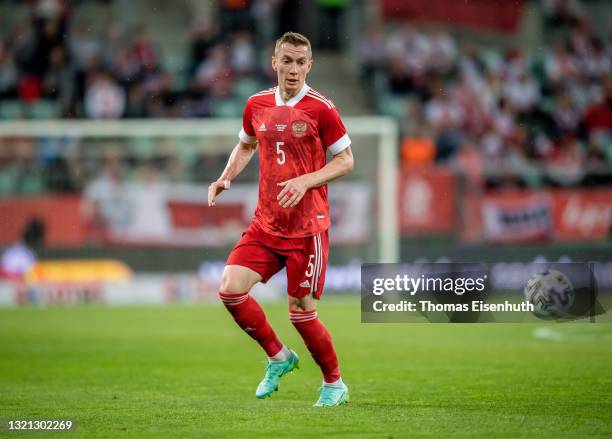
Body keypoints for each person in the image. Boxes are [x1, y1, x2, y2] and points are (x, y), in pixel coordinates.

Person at [208, 32, 353, 407]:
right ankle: (278, 356)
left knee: (301, 311)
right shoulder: (256, 103)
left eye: (300, 62)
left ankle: (334, 384)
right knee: (230, 287)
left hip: (307, 229)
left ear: (309, 66)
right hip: (267, 223)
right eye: (286, 61)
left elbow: (346, 160)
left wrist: (306, 181)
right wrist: (226, 176)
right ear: (274, 63)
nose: (292, 69)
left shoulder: (322, 108)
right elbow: (245, 144)